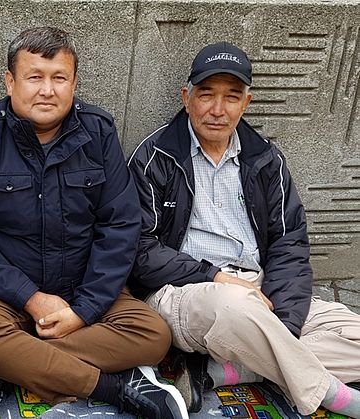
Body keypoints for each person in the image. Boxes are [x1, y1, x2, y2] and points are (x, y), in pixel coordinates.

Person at [0, 26, 188, 419]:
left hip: (83, 286)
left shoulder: (98, 132)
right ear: (10, 82)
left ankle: (10, 365)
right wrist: (32, 298)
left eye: (59, 78)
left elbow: (120, 226)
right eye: (34, 77)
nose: (47, 90)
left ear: (73, 82)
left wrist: (84, 310)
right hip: (5, 294)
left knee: (154, 335)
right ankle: (115, 387)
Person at [127, 41, 360, 417]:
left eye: (231, 97)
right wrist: (214, 275)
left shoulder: (265, 158)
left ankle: (229, 371)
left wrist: (282, 323)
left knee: (354, 331)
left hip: (260, 288)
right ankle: (333, 394)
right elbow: (138, 249)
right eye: (206, 95)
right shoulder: (156, 157)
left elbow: (289, 243)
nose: (218, 110)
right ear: (187, 98)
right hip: (186, 290)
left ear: (245, 103)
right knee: (232, 304)